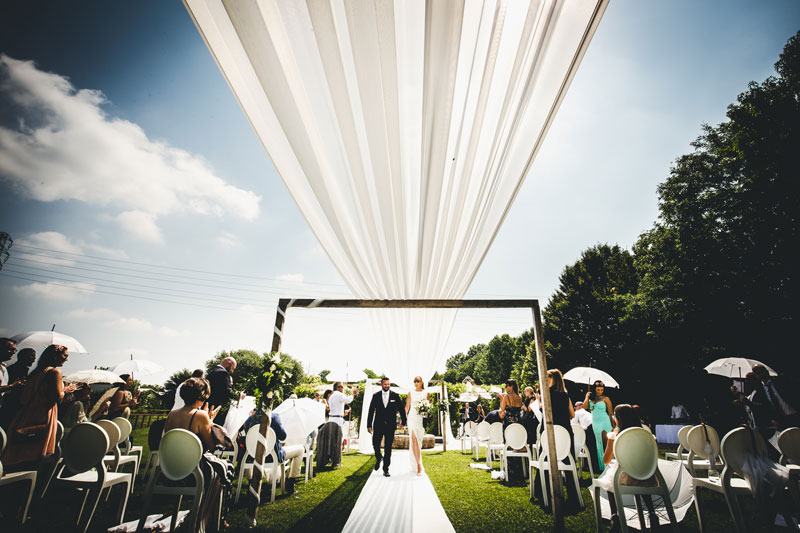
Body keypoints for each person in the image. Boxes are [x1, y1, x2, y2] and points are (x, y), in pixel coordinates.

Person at [2, 345, 78, 471]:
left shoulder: (35, 372)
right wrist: (66, 389)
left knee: (21, 455)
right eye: (65, 356)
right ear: (55, 356)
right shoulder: (55, 372)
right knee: (37, 457)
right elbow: (57, 397)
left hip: (25, 415)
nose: (66, 359)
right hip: (43, 415)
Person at [594, 404, 660, 529]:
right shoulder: (648, 435)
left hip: (623, 478)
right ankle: (652, 514)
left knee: (609, 482)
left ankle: (614, 515)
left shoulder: (615, 436)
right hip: (648, 476)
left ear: (618, 419)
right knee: (640, 478)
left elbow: (606, 460)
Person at [533, 369, 580, 510]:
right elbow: (572, 414)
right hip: (565, 431)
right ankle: (573, 496)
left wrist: (540, 401)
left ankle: (542, 493)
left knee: (545, 458)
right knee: (568, 462)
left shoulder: (547, 394)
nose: (545, 381)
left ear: (554, 379)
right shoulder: (565, 395)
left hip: (550, 430)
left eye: (547, 379)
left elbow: (542, 410)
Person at [367, 376, 406, 477]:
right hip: (378, 424)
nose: (387, 386)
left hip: (390, 425)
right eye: (385, 384)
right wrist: (369, 425)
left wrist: (403, 421)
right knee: (375, 444)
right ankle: (379, 457)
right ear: (381, 384)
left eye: (388, 384)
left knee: (388, 448)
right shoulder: (375, 396)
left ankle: (386, 469)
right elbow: (371, 411)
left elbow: (401, 409)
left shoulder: (395, 396)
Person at [752, 364, 799, 429]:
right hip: (781, 420)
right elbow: (764, 406)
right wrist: (772, 419)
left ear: (766, 371)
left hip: (795, 414)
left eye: (761, 371)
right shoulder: (760, 391)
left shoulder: (781, 381)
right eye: (757, 373)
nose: (760, 374)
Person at [584, 380, 614, 473]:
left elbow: (610, 412)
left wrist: (613, 425)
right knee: (599, 443)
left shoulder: (606, 399)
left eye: (601, 389)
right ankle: (602, 466)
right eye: (598, 389)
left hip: (605, 422)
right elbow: (585, 407)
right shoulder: (590, 399)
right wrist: (586, 396)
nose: (600, 391)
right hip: (596, 423)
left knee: (606, 442)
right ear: (595, 389)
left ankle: (611, 464)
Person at [500, 379, 525, 481]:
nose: (506, 388)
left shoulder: (506, 397)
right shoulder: (520, 397)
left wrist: (501, 398)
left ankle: (511, 472)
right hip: (518, 422)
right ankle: (519, 472)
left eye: (507, 386)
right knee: (516, 445)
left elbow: (502, 408)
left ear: (512, 386)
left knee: (509, 445)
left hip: (508, 423)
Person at [207, 356, 243, 424]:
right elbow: (227, 392)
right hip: (218, 411)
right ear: (228, 363)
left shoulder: (212, 372)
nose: (232, 371)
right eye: (233, 368)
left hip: (209, 407)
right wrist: (239, 395)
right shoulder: (223, 373)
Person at [405, 375, 429, 476]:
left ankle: (416, 462)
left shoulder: (426, 393)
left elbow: (427, 409)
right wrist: (403, 419)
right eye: (415, 382)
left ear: (422, 382)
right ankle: (419, 465)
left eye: (418, 382)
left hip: (419, 419)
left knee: (418, 441)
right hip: (411, 418)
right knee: (414, 439)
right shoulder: (410, 393)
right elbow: (407, 407)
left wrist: (426, 411)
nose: (416, 384)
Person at [573, 401, 600, 474]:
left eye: (575, 407)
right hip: (595, 426)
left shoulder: (577, 412)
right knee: (594, 448)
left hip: (589, 428)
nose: (575, 408)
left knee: (590, 448)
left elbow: (573, 424)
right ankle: (595, 467)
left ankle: (593, 468)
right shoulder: (587, 413)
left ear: (579, 406)